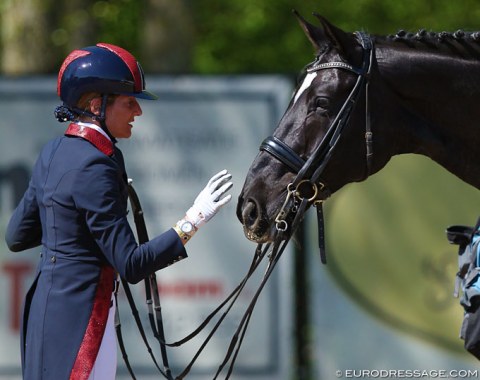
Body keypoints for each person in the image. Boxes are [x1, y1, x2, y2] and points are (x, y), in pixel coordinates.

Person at [5, 43, 233, 380]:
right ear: (97, 105)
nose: (137, 113)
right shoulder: (95, 165)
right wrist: (193, 219)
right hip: (81, 321)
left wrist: (72, 220)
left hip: (43, 314)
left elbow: (16, 236)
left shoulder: (53, 151)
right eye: (129, 103)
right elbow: (131, 264)